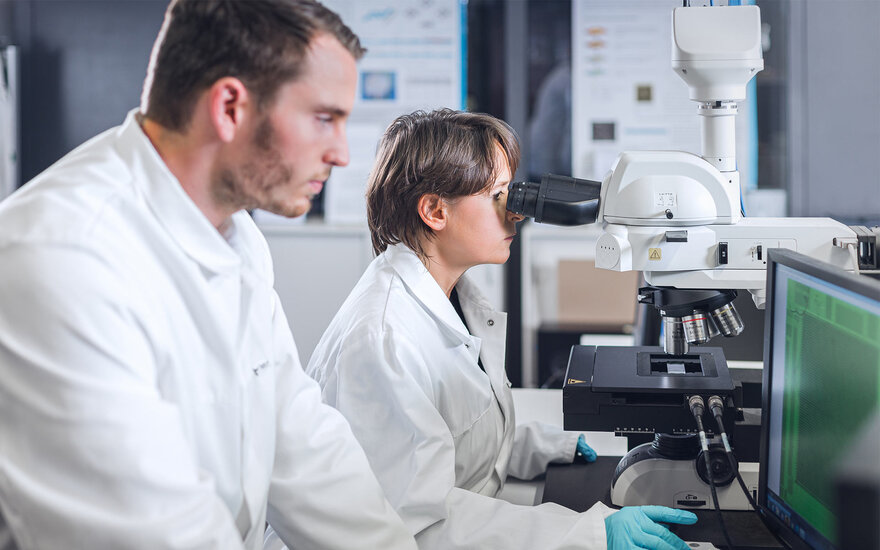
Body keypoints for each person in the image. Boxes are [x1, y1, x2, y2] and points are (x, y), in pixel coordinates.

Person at [0, 1, 418, 549]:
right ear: (229, 107)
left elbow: (304, 447)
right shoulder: (64, 259)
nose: (342, 153)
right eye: (324, 118)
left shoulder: (235, 236)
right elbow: (153, 535)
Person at [305, 109, 698, 549]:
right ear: (435, 211)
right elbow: (420, 523)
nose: (518, 213)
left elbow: (450, 433)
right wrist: (589, 534)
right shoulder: (384, 339)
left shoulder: (454, 296)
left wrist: (536, 445)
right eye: (498, 196)